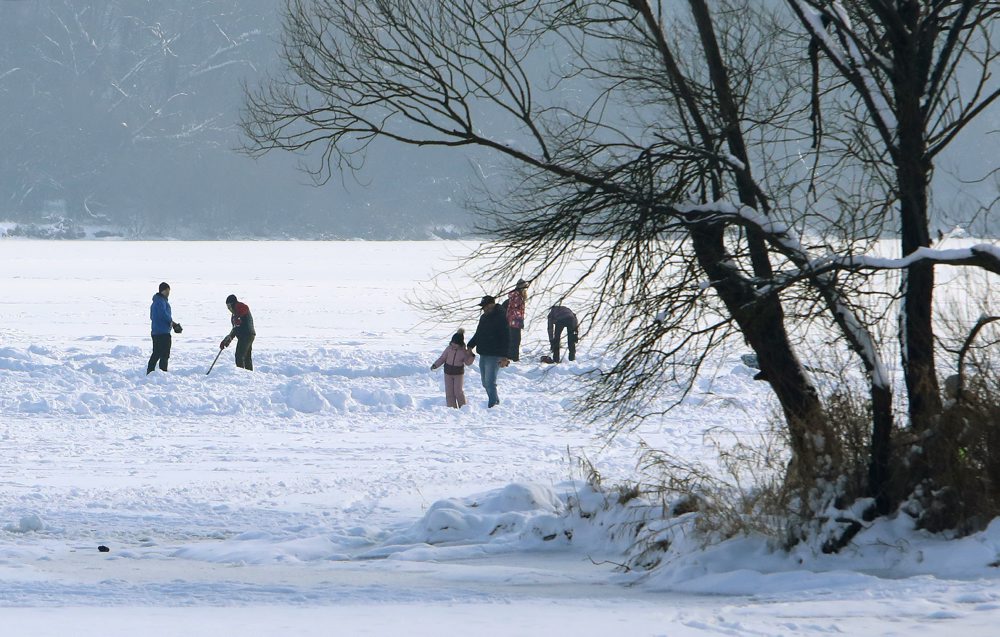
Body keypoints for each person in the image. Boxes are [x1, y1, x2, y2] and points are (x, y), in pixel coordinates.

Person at [467, 295, 510, 408]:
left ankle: (493, 404)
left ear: (492, 304)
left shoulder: (501, 317)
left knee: (490, 382)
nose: (484, 308)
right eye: (483, 307)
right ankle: (495, 401)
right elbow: (478, 333)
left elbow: (507, 338)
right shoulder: (484, 318)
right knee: (485, 383)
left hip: (495, 354)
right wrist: (470, 345)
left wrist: (505, 356)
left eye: (485, 306)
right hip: (484, 353)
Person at [430, 328, 476, 408]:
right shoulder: (448, 349)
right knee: (449, 392)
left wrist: (471, 356)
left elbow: (467, 363)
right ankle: (452, 408)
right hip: (447, 373)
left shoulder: (463, 352)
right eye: (452, 343)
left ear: (460, 343)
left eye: (456, 343)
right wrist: (435, 365)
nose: (453, 345)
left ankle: (463, 408)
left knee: (458, 392)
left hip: (458, 374)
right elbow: (442, 358)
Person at [147, 282, 182, 374]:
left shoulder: (156, 302)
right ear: (163, 290)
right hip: (162, 332)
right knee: (164, 354)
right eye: (167, 291)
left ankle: (151, 371)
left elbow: (152, 316)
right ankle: (162, 371)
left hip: (157, 331)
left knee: (157, 353)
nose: (168, 293)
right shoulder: (160, 302)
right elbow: (164, 315)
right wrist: (173, 323)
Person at [220, 294, 256, 370]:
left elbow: (245, 308)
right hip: (248, 335)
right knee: (246, 357)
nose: (228, 308)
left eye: (229, 306)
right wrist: (227, 340)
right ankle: (249, 374)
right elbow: (235, 329)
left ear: (233, 303)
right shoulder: (234, 314)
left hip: (246, 335)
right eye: (227, 307)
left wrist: (238, 316)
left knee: (239, 356)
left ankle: (241, 374)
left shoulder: (239, 307)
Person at [506, 278, 529, 362]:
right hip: (514, 321)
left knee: (514, 339)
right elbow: (515, 309)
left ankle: (512, 356)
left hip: (515, 321)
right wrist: (519, 320)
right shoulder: (517, 296)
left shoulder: (517, 295)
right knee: (515, 340)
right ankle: (513, 357)